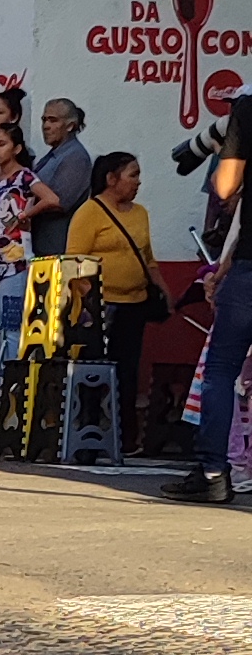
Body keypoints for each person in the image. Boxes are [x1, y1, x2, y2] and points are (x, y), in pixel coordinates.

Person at [165, 90, 252, 505]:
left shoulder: (247, 110)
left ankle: (214, 473)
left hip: (249, 270)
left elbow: (226, 186)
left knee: (221, 372)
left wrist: (231, 142)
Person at [66, 150, 159, 451]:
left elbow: (148, 258)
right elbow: (75, 262)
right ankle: (89, 435)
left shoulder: (141, 213)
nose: (138, 182)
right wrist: (89, 305)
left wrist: (164, 292)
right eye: (133, 175)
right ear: (111, 178)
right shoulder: (89, 212)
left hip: (135, 303)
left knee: (127, 371)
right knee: (94, 371)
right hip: (101, 306)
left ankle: (124, 438)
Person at [0, 114, 48, 363]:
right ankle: (1, 376)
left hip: (15, 258)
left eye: (1, 144)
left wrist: (26, 214)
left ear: (16, 148)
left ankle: (12, 376)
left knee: (12, 324)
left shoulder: (25, 177)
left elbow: (51, 198)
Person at [27, 95, 91, 256]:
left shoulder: (76, 157)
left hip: (56, 246)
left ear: (70, 126)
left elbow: (60, 202)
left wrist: (24, 207)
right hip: (41, 243)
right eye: (44, 120)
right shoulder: (54, 155)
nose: (46, 126)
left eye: (53, 120)